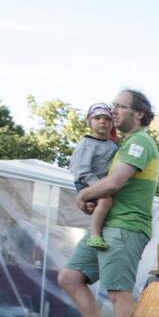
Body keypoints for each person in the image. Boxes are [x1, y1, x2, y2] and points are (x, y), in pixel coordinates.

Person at [58, 89, 159, 317]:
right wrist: (93, 197)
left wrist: (84, 196)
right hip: (108, 226)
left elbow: (114, 184)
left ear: (139, 113)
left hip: (126, 226)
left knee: (118, 292)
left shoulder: (140, 143)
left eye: (120, 106)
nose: (114, 111)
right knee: (70, 277)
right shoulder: (123, 145)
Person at [69, 103, 119, 249]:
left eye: (107, 119)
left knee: (105, 202)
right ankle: (95, 234)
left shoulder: (113, 145)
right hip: (87, 181)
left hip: (104, 182)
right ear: (89, 121)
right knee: (105, 200)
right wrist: (100, 186)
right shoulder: (86, 143)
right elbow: (81, 170)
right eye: (97, 118)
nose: (103, 121)